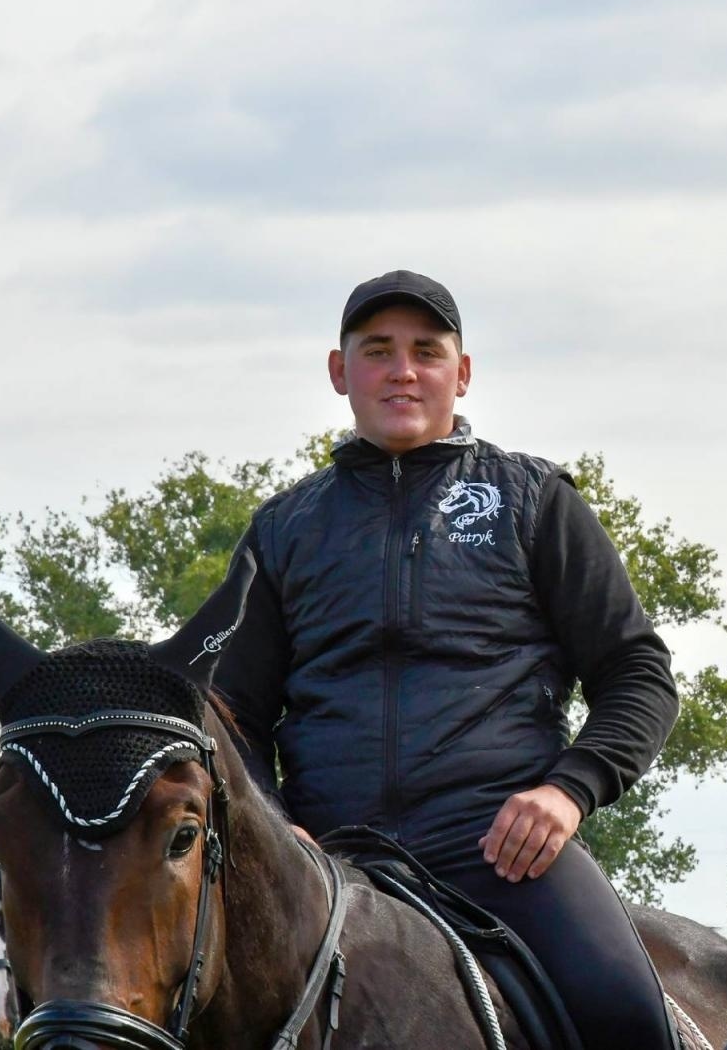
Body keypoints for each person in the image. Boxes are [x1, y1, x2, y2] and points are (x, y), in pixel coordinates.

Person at [215, 269, 681, 1050]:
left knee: (625, 1012)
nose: (403, 371)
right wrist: (272, 820)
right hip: (324, 859)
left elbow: (638, 675)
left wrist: (567, 793)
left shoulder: (535, 501)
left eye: (426, 351)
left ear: (461, 373)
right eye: (378, 351)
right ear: (340, 372)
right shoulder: (282, 530)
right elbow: (232, 715)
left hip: (503, 853)